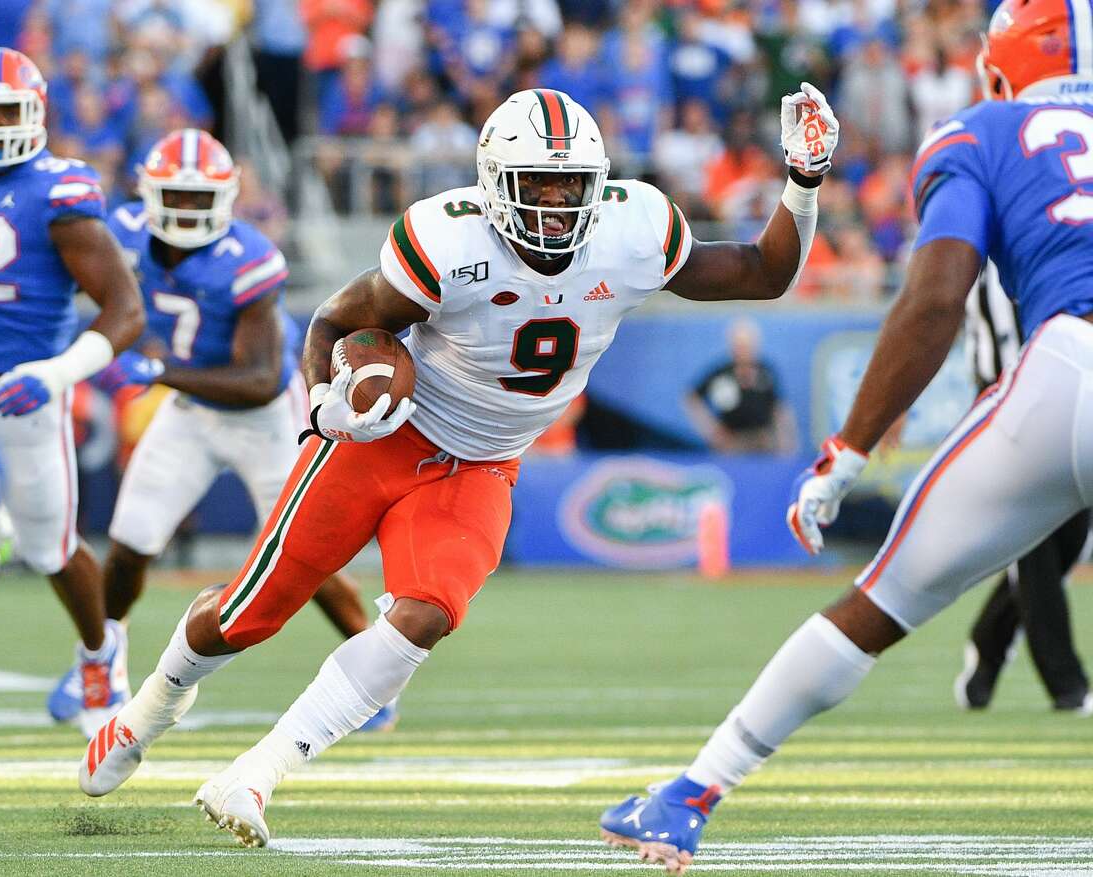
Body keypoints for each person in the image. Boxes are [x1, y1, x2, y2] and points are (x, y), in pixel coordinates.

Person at [80, 84, 840, 850]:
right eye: (535, 184)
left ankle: (257, 772)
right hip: (386, 438)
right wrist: (325, 406)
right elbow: (339, 321)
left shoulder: (635, 228)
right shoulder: (447, 241)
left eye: (570, 184)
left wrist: (802, 184)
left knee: (427, 615)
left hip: (483, 462)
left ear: (598, 182)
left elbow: (760, 271)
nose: (553, 204)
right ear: (491, 183)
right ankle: (148, 711)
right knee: (252, 611)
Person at [600, 3, 1093, 871]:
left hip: (1068, 368)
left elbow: (936, 297)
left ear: (1005, 60)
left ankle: (691, 794)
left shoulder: (980, 131)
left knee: (882, 599)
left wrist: (852, 449)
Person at [46, 128, 396, 732]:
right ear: (150, 195)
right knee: (130, 543)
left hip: (266, 420)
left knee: (308, 559)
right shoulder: (125, 233)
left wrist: (158, 370)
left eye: (196, 198)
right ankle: (100, 663)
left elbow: (260, 379)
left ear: (226, 198)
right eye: (173, 197)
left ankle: (374, 681)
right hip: (190, 412)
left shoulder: (250, 259)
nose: (184, 210)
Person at [0, 48, 145, 737]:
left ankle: (101, 652)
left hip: (27, 389)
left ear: (35, 115)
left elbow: (125, 310)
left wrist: (57, 372)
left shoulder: (59, 194)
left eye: (2, 111)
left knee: (52, 548)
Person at [956, 263, 1091, 712]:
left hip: (1066, 398)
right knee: (1035, 547)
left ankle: (988, 641)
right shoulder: (975, 246)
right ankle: (1067, 685)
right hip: (1004, 408)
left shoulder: (1057, 240)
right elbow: (930, 305)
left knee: (1069, 539)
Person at [684, 317, 798, 454]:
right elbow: (692, 398)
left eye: (747, 345)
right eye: (739, 346)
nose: (743, 351)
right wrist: (711, 429)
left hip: (764, 442)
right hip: (732, 444)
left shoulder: (766, 372)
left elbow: (779, 408)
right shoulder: (721, 374)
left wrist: (787, 443)